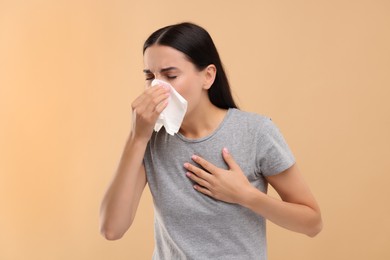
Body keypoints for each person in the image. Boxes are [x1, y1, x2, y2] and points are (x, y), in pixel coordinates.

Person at [99, 22, 322, 260]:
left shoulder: (256, 132)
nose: (157, 87)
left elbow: (311, 222)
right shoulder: (149, 140)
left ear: (207, 76)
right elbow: (112, 229)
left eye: (170, 75)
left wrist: (246, 195)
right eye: (149, 77)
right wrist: (137, 137)